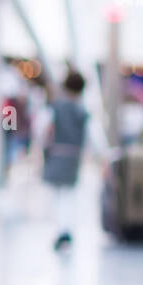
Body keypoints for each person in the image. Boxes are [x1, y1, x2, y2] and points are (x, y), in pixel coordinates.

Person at [37, 69, 95, 249]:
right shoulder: (82, 111)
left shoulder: (55, 106)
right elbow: (91, 137)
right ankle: (66, 229)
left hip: (56, 153)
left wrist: (42, 147)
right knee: (69, 195)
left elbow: (42, 128)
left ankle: (61, 230)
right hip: (73, 157)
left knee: (57, 195)